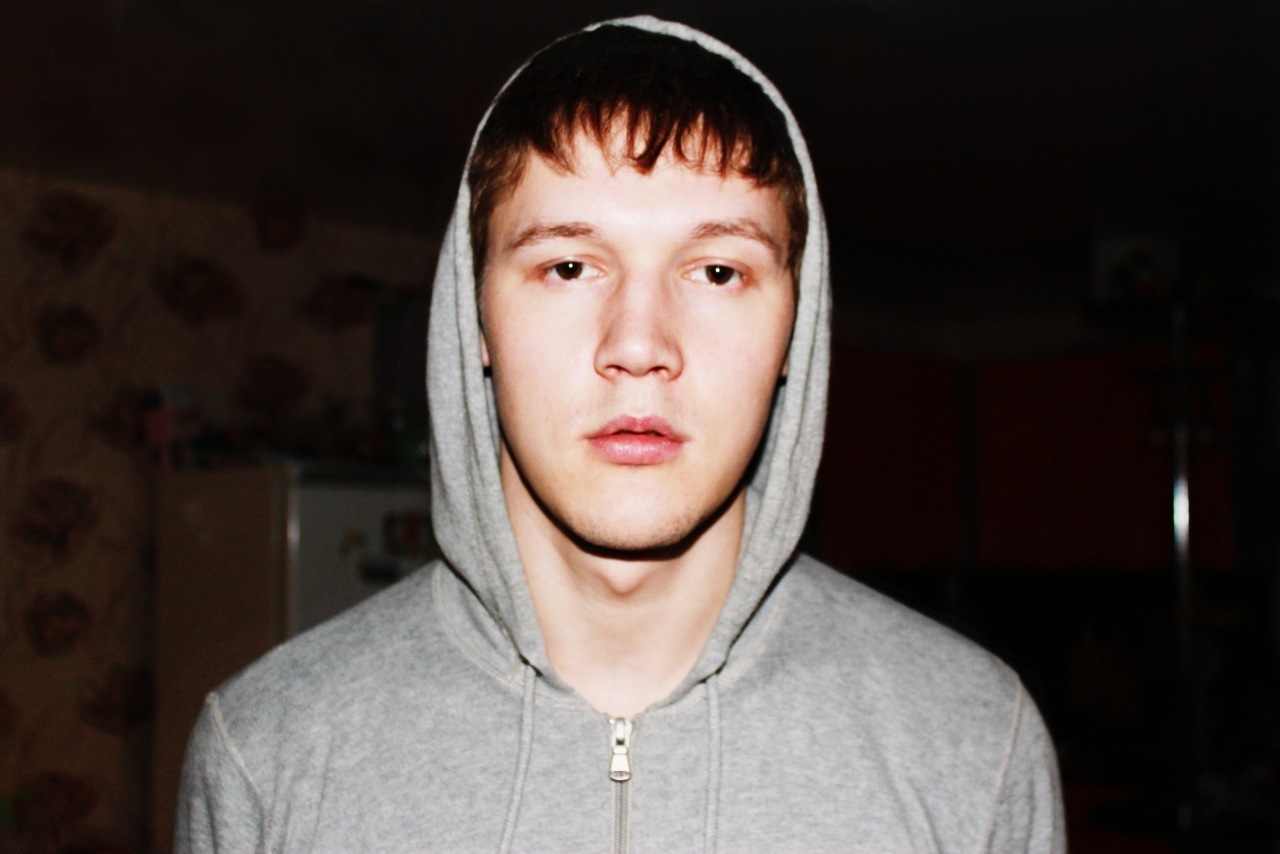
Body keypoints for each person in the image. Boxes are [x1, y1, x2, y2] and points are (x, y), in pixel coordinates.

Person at [177, 16, 1065, 852]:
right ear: (475, 317)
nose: (639, 345)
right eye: (569, 266)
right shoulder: (267, 753)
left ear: (794, 330)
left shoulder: (974, 745)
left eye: (718, 271)